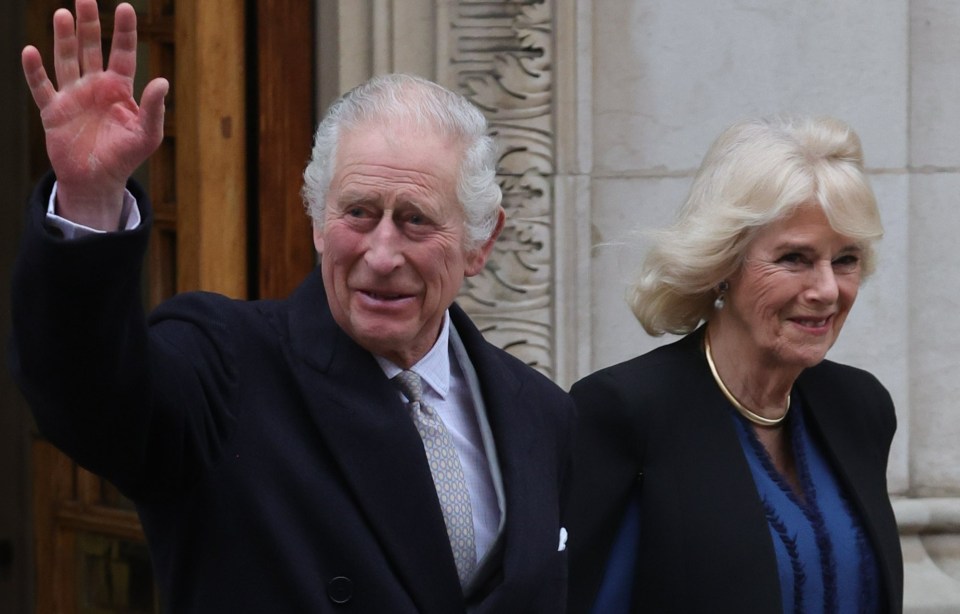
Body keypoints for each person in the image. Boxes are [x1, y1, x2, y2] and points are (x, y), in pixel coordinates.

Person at [11, 2, 575, 612]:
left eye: (416, 221)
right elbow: (88, 397)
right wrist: (91, 200)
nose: (382, 254)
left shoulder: (543, 416)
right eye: (358, 212)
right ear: (317, 222)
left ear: (480, 244)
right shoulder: (224, 366)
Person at [565, 116, 903, 613]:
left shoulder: (860, 406)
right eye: (794, 258)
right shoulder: (625, 411)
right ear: (721, 265)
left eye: (845, 259)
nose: (827, 290)